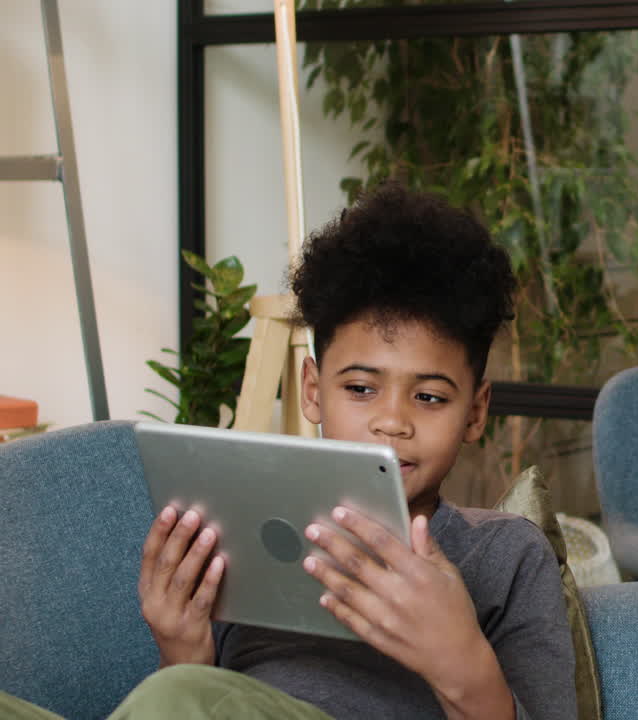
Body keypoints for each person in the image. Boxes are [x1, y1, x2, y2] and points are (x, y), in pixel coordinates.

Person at [2, 183, 576, 720]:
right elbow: (201, 695)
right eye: (360, 388)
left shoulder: (504, 555)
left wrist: (461, 663)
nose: (391, 421)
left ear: (475, 411)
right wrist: (182, 646)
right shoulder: (245, 526)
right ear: (311, 389)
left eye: (429, 396)